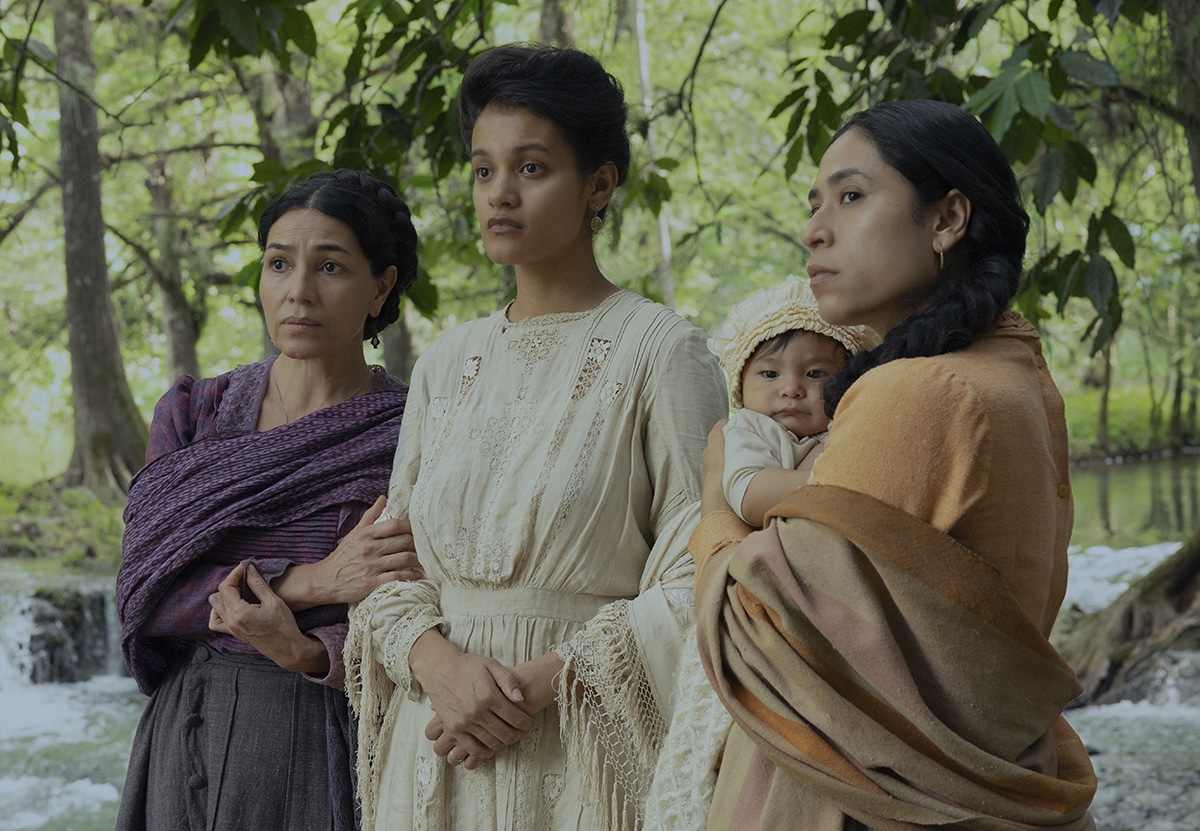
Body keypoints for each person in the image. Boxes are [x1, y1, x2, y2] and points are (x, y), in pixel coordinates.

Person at [343, 44, 727, 831]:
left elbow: (709, 577)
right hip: (437, 746)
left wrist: (541, 682)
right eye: (483, 170)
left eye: (531, 168)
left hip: (581, 750)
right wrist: (437, 662)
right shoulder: (447, 361)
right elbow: (391, 564)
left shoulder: (664, 350)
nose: (499, 194)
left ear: (599, 185)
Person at [690, 100, 1097, 830]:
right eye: (815, 204)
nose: (815, 229)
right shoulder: (1012, 370)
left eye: (851, 197)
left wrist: (717, 504)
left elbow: (767, 637)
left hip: (859, 799)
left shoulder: (916, 391)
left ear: (947, 220)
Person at [116, 169, 421, 831]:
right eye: (279, 264)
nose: (298, 293)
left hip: (326, 731)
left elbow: (422, 602)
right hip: (188, 725)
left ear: (381, 285)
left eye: (331, 266)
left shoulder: (412, 433)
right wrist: (313, 580)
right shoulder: (196, 413)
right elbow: (146, 594)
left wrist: (315, 652)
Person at [707, 276, 877, 527]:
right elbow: (751, 497)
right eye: (770, 374)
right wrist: (835, 484)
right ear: (740, 387)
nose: (791, 389)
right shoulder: (751, 428)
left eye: (814, 374)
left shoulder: (846, 428)